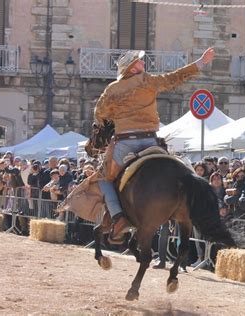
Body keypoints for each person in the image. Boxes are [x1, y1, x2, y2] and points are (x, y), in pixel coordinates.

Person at [63, 47, 216, 243]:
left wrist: (114, 117)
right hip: (152, 141)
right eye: (140, 62)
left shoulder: (112, 89)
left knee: (104, 178)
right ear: (131, 68)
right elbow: (174, 77)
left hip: (125, 143)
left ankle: (118, 218)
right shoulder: (148, 81)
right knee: (181, 167)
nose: (144, 64)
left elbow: (100, 114)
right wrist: (200, 62)